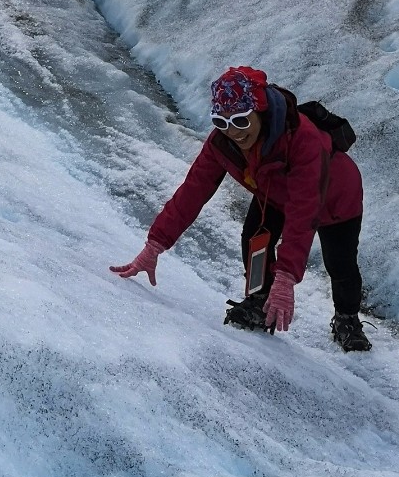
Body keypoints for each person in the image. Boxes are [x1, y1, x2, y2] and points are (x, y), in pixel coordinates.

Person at [110, 65, 371, 350]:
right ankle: (259, 299)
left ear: (259, 111)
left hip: (336, 199)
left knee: (340, 263)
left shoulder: (302, 140)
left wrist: (286, 278)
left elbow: (304, 212)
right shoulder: (222, 143)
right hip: (273, 192)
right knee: (254, 239)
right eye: (222, 123)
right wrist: (154, 245)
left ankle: (347, 319)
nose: (233, 132)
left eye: (241, 121)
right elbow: (192, 192)